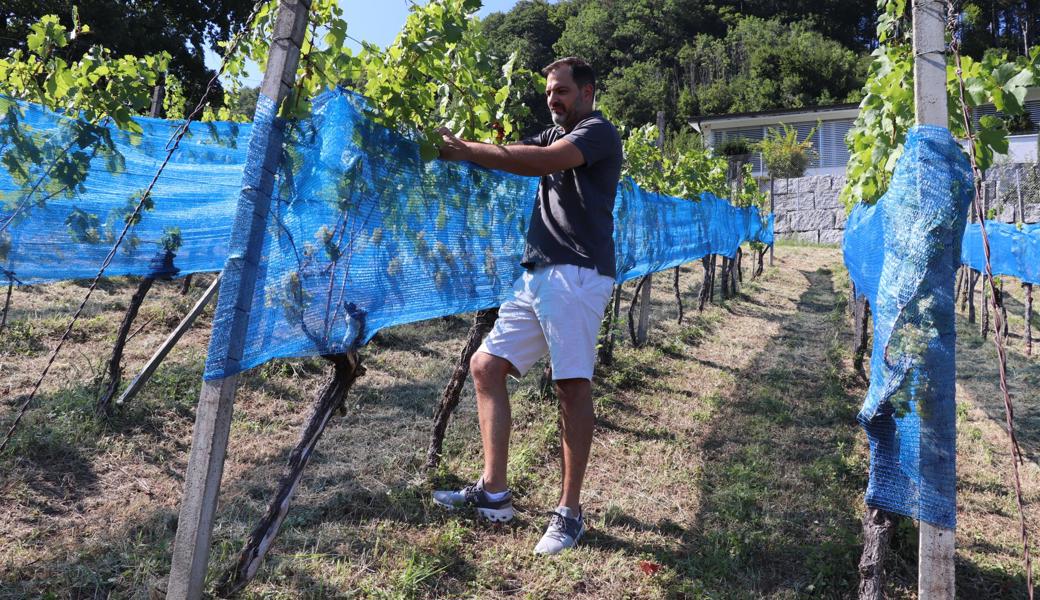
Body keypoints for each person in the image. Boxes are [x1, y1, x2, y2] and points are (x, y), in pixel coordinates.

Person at [432, 57, 623, 555]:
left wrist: (467, 150)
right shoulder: (550, 133)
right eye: (548, 93)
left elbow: (540, 162)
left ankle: (569, 514)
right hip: (539, 272)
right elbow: (521, 150)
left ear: (587, 92)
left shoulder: (598, 132)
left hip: (578, 274)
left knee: (570, 387)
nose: (553, 99)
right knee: (486, 365)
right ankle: (494, 493)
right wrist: (461, 148)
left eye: (561, 90)